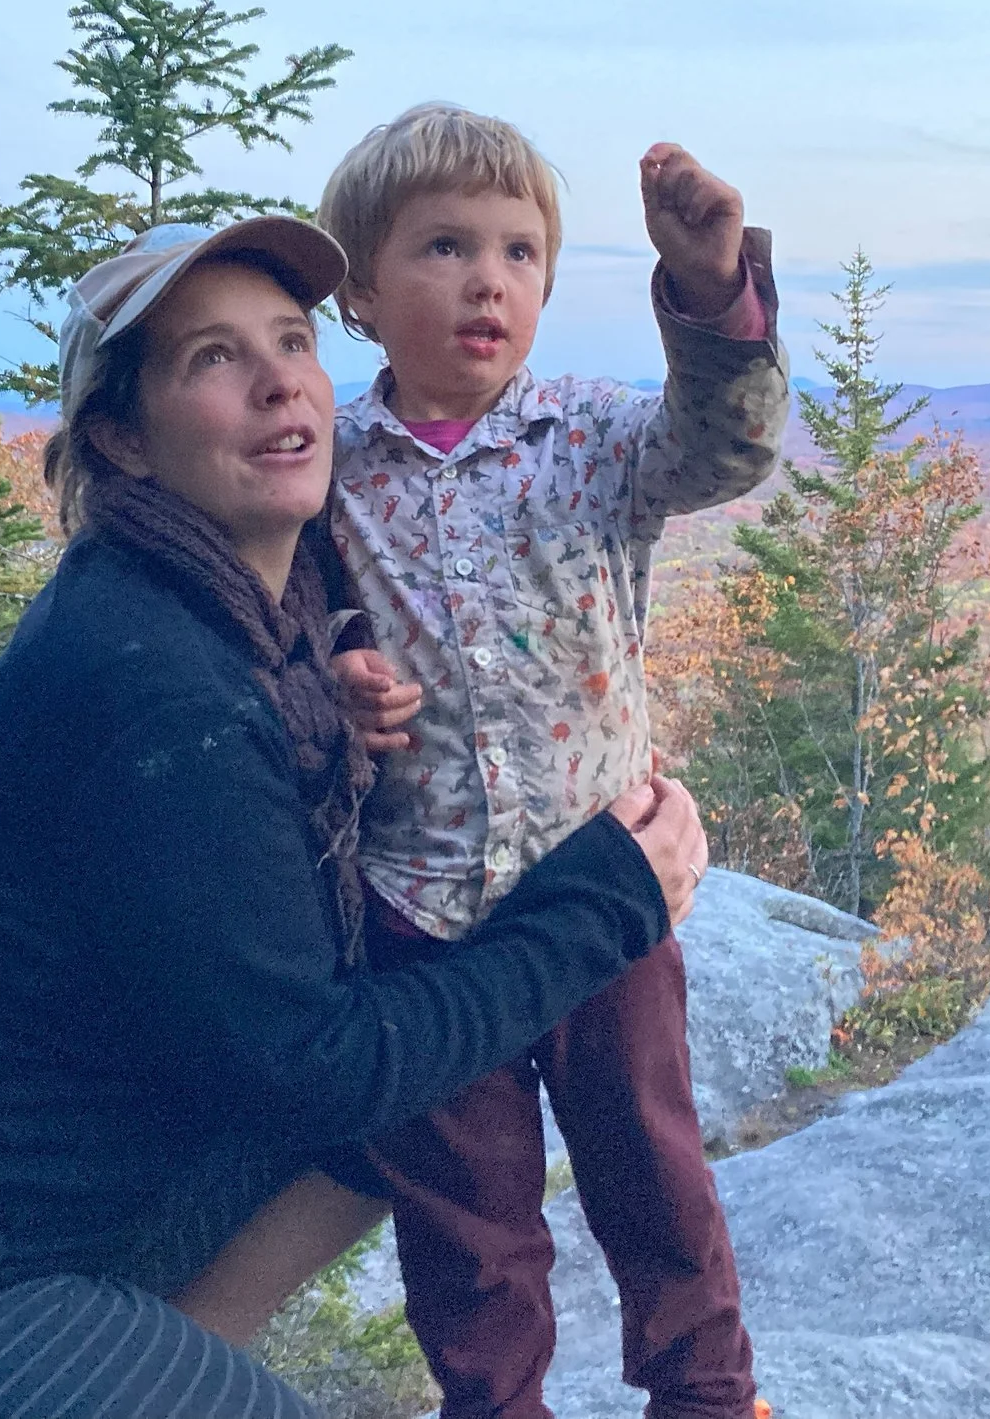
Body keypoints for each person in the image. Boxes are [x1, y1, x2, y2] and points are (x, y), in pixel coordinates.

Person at [0, 214, 714, 1419]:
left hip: (14, 1222)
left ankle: (142, 1363)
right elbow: (321, 1070)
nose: (279, 382)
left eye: (291, 341)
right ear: (124, 438)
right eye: (214, 359)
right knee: (391, 1076)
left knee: (423, 1090)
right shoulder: (150, 678)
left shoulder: (256, 629)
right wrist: (608, 905)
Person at [316, 106, 790, 1419]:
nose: (489, 277)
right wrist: (334, 676)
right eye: (446, 246)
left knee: (655, 1171)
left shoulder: (585, 434)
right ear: (360, 288)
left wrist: (708, 288)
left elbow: (725, 447)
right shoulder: (330, 469)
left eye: (522, 251)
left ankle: (708, 1391)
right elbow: (285, 624)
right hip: (423, 912)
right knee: (468, 1231)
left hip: (601, 886)